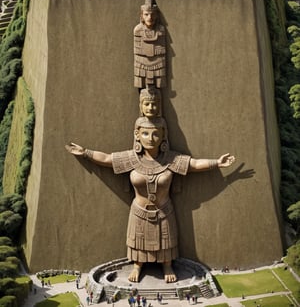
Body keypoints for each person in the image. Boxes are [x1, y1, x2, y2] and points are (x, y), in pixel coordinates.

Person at [65, 117, 235, 283]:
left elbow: (194, 164)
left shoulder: (171, 159)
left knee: (166, 241)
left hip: (164, 210)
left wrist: (217, 163)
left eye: (155, 134)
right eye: (145, 134)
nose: (151, 139)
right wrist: (85, 153)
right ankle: (138, 265)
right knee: (138, 240)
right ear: (137, 135)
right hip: (139, 211)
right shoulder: (131, 158)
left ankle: (167, 265)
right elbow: (107, 159)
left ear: (163, 136)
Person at [134, 0, 166, 88]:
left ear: (156, 16)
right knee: (140, 82)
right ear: (142, 16)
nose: (150, 18)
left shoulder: (160, 29)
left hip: (158, 64)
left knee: (160, 83)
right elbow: (137, 50)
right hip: (141, 63)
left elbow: (162, 49)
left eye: (152, 14)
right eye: (146, 14)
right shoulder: (138, 30)